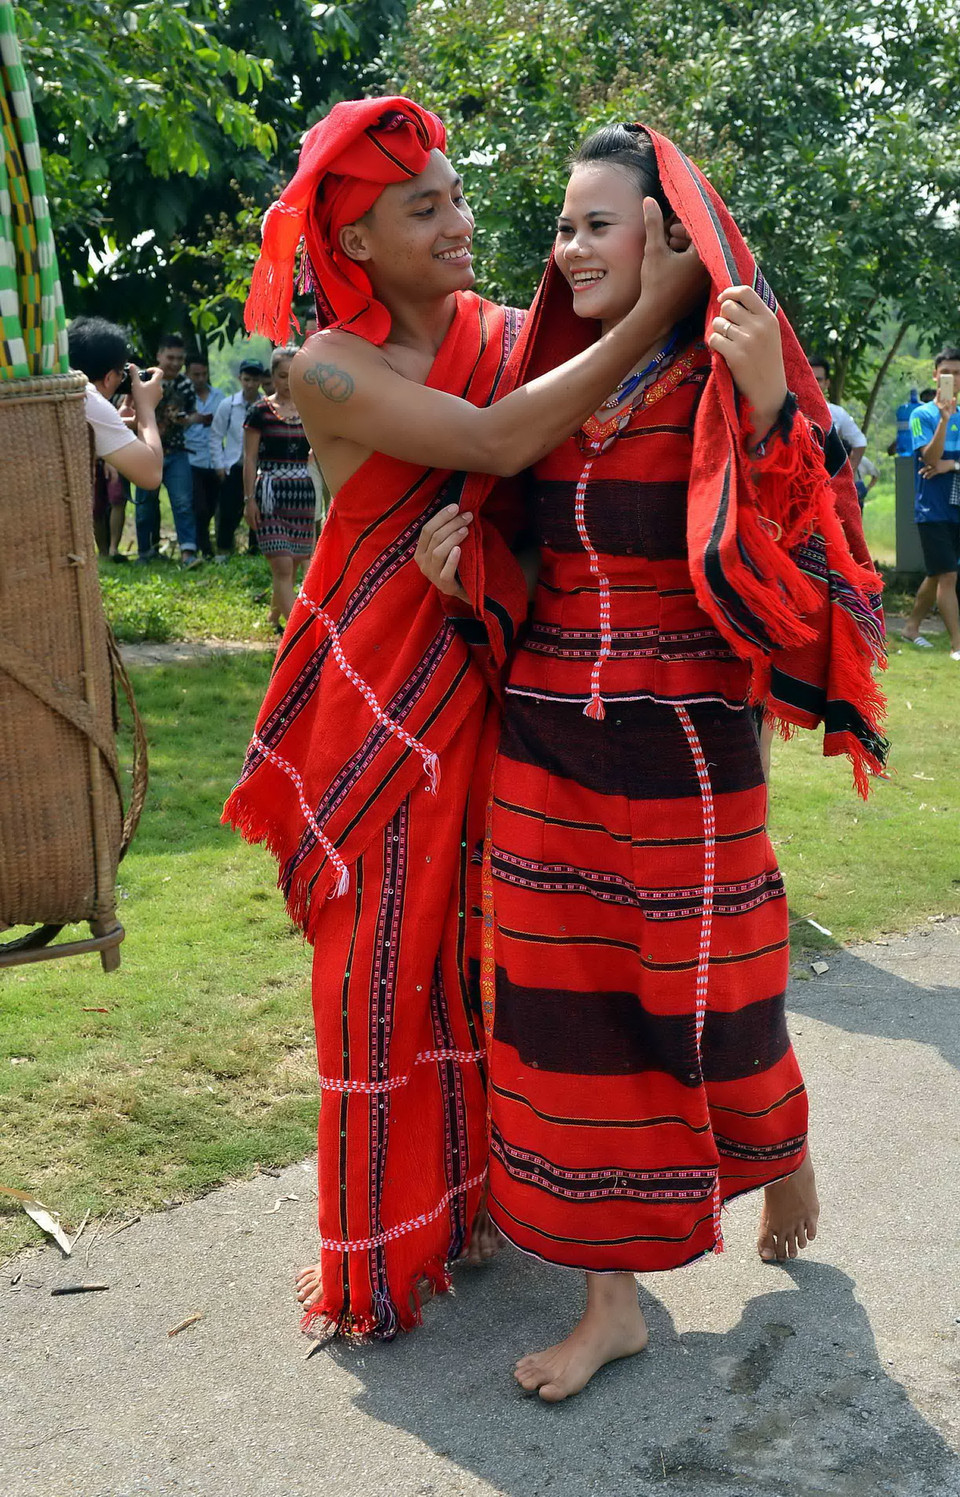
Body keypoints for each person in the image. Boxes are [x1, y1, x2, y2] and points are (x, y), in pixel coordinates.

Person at [223, 96, 706, 1343]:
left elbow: (563, 483)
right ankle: (378, 1254)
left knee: (492, 962)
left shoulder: (508, 334)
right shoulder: (327, 366)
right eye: (421, 207)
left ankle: (481, 1207)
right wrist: (649, 310)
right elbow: (496, 444)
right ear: (356, 241)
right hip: (376, 705)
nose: (459, 222)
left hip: (498, 674)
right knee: (379, 970)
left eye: (455, 196)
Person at [416, 123, 887, 1401]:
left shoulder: (730, 374)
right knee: (565, 1016)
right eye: (561, 227)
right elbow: (526, 547)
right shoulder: (550, 378)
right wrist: (470, 574)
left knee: (717, 992)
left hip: (687, 744)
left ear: (671, 236)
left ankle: (778, 1147)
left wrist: (773, 405)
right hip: (547, 740)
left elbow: (807, 557)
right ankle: (610, 1303)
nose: (568, 248)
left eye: (596, 224)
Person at [67, 315, 164, 556]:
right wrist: (147, 409)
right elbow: (151, 474)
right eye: (122, 373)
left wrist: (118, 421)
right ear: (110, 377)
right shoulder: (88, 397)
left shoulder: (63, 386)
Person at [242, 346, 316, 628]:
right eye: (283, 376)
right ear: (272, 376)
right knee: (282, 564)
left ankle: (274, 616)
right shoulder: (259, 411)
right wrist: (249, 499)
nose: (287, 382)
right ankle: (298, 634)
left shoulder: (311, 408)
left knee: (293, 563)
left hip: (302, 494)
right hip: (270, 494)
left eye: (293, 375)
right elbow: (249, 458)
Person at [900, 347, 960, 657]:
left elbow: (944, 464)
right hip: (932, 509)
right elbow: (930, 458)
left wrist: (953, 465)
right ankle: (957, 645)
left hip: (957, 506)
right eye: (946, 372)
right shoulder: (920, 415)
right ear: (936, 375)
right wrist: (943, 421)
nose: (952, 378)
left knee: (938, 573)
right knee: (948, 575)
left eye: (958, 373)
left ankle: (911, 628)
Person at [133, 332, 204, 567]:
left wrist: (188, 419)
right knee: (145, 504)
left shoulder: (185, 384)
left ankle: (188, 553)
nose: (175, 363)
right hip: (146, 452)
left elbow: (191, 413)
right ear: (159, 355)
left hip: (176, 452)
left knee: (183, 503)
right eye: (170, 357)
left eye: (179, 359)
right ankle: (145, 552)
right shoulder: (143, 380)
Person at [210, 358, 265, 557]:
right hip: (234, 466)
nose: (250, 384)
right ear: (240, 378)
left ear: (260, 381)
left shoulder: (266, 405)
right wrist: (219, 465)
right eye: (247, 379)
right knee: (227, 511)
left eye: (255, 380)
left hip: (259, 468)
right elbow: (216, 435)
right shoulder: (229, 405)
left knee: (259, 511)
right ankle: (223, 552)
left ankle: (255, 552)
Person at [184, 353, 224, 558]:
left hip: (215, 459)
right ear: (187, 374)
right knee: (198, 507)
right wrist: (192, 419)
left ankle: (206, 544)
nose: (200, 379)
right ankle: (204, 548)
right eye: (195, 375)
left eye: (203, 374)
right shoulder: (182, 397)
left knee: (211, 506)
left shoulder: (219, 396)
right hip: (192, 459)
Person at [809, 355, 867, 478]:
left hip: (827, 482)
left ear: (827, 383)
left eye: (818, 379)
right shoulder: (790, 411)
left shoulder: (837, 413)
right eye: (810, 378)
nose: (813, 383)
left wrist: (848, 474)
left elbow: (860, 442)